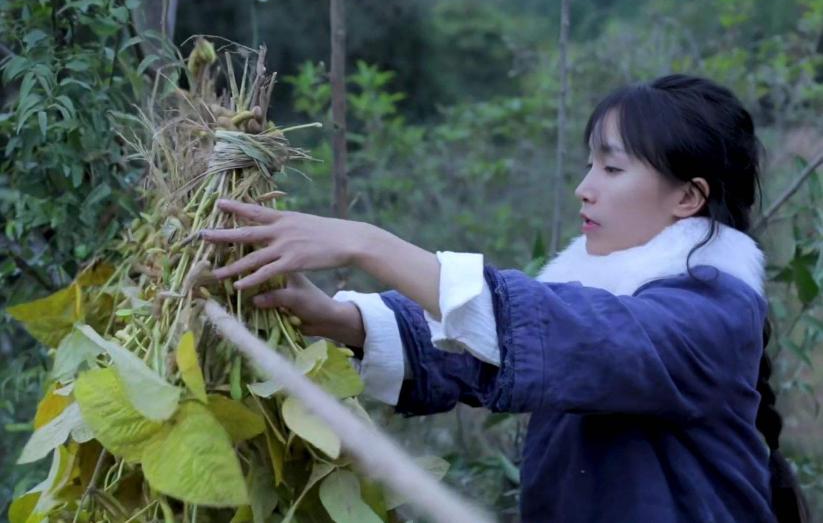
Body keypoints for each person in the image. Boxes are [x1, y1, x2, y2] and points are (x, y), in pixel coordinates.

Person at [200, 74, 808, 523]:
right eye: (588, 165)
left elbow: (570, 335)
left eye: (612, 170)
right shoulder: (604, 295)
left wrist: (365, 242)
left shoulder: (710, 309)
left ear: (688, 198)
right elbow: (488, 347)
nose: (584, 189)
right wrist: (338, 319)